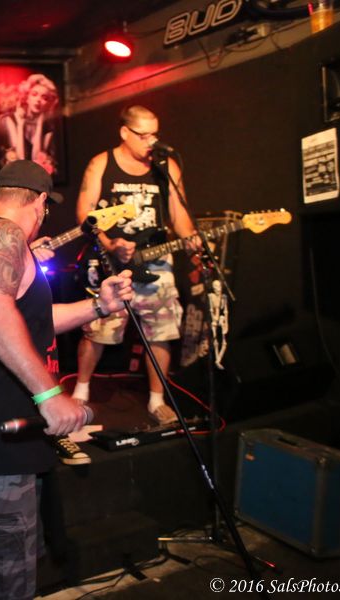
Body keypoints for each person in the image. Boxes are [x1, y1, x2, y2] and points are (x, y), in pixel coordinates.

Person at [0, 160, 134, 599]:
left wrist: (98, 307)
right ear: (40, 202)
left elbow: (31, 318)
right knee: (2, 585)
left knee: (3, 578)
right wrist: (50, 394)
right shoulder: (1, 234)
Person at [72, 104, 200, 425]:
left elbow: (179, 214)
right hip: (112, 263)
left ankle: (157, 400)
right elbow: (84, 214)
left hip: (156, 260)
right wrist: (110, 244)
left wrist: (191, 238)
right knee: (98, 330)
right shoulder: (102, 163)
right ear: (124, 132)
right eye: (143, 135)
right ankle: (80, 393)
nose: (150, 142)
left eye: (154, 134)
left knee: (161, 330)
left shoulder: (165, 165)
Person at [0, 73, 60, 176]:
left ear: (49, 103)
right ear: (26, 97)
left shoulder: (47, 127)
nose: (38, 100)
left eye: (44, 98)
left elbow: (37, 161)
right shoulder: (10, 119)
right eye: (34, 94)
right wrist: (21, 125)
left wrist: (39, 123)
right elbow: (20, 159)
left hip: (35, 179)